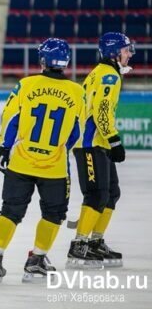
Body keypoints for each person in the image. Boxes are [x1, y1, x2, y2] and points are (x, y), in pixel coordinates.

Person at [0, 38, 85, 284]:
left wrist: (5, 148)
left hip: (21, 163)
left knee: (10, 212)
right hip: (55, 167)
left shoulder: (25, 84)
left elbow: (10, 119)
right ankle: (36, 261)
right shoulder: (77, 92)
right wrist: (57, 150)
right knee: (53, 214)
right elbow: (75, 133)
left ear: (42, 60)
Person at [66, 32, 135, 270]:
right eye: (126, 50)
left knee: (111, 193)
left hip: (98, 144)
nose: (129, 54)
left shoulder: (106, 72)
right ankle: (79, 245)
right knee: (96, 195)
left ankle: (94, 241)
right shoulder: (108, 76)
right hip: (90, 144)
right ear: (115, 53)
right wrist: (115, 140)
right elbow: (102, 112)